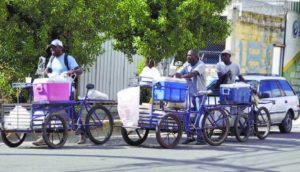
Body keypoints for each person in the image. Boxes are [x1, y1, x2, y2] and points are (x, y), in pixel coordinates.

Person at [33, 39, 85, 146]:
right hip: (54, 91)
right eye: (51, 48)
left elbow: (79, 70)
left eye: (54, 47)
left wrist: (72, 71)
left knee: (73, 111)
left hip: (67, 90)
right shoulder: (52, 59)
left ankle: (83, 133)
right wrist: (46, 72)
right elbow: (47, 70)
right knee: (48, 111)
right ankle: (45, 136)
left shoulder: (68, 58)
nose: (52, 49)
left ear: (60, 48)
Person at [175, 49, 206, 145]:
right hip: (190, 94)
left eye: (190, 55)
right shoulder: (186, 64)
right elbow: (178, 73)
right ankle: (190, 136)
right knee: (187, 115)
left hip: (200, 94)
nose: (188, 57)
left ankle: (201, 138)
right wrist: (175, 75)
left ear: (196, 57)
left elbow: (193, 74)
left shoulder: (201, 65)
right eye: (187, 55)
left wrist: (182, 76)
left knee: (198, 117)